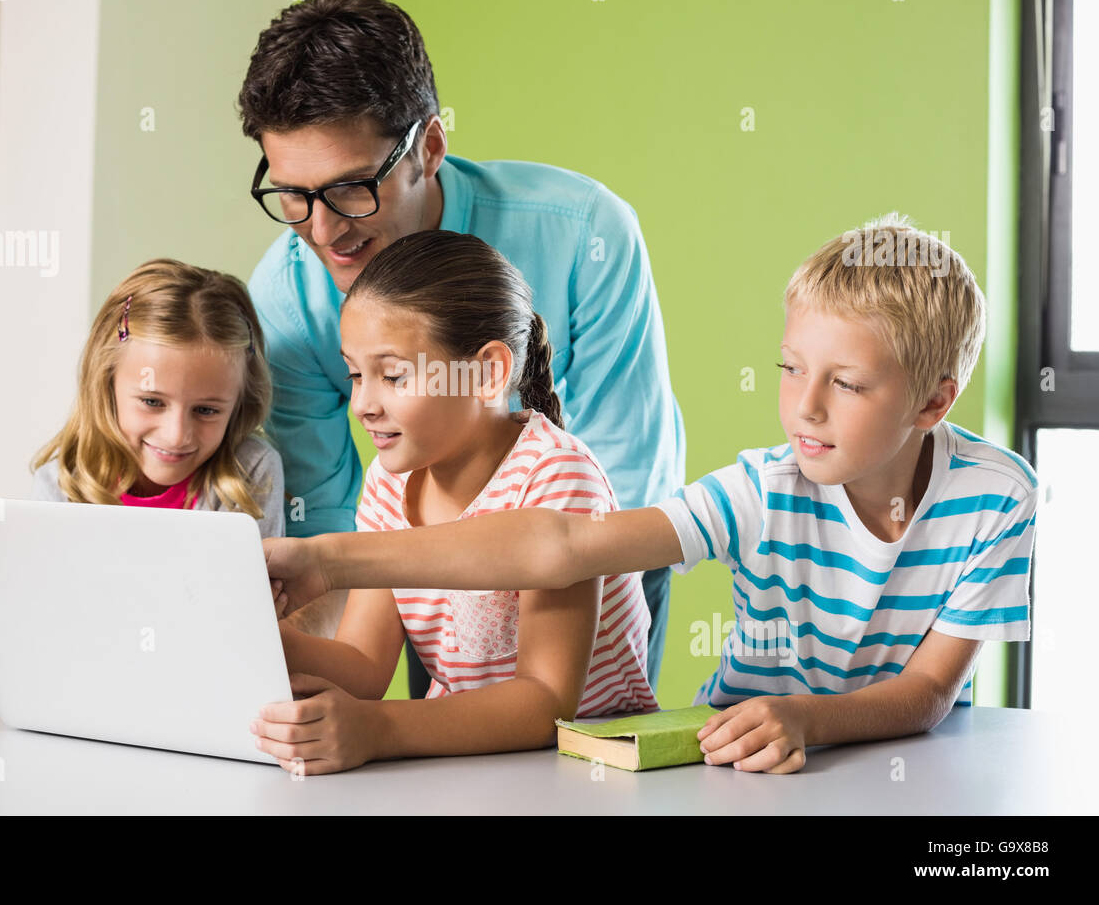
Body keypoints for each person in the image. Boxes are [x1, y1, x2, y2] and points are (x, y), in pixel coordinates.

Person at [265, 214, 1037, 774]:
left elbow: (930, 692)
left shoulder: (998, 499)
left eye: (847, 383)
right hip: (728, 754)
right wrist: (321, 564)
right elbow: (561, 545)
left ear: (935, 403)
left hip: (882, 763)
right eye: (790, 369)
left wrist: (808, 717)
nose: (804, 407)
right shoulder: (761, 487)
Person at [239, 0, 684, 693]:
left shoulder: (586, 235)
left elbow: (619, 500)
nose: (323, 232)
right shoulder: (285, 297)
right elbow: (329, 533)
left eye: (353, 188)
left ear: (431, 147)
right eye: (293, 195)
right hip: (409, 575)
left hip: (592, 571)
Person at [250, 231, 657, 774]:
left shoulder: (557, 475)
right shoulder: (388, 483)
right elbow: (364, 666)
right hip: (460, 766)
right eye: (355, 374)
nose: (363, 405)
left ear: (486, 373)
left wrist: (379, 728)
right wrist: (246, 631)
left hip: (584, 770)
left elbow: (544, 703)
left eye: (393, 375)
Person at [0, 258, 284, 663]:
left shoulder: (250, 472)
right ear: (106, 383)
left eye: (206, 410)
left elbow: (249, 630)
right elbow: (42, 610)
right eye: (152, 402)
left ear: (239, 402)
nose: (177, 435)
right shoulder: (65, 477)